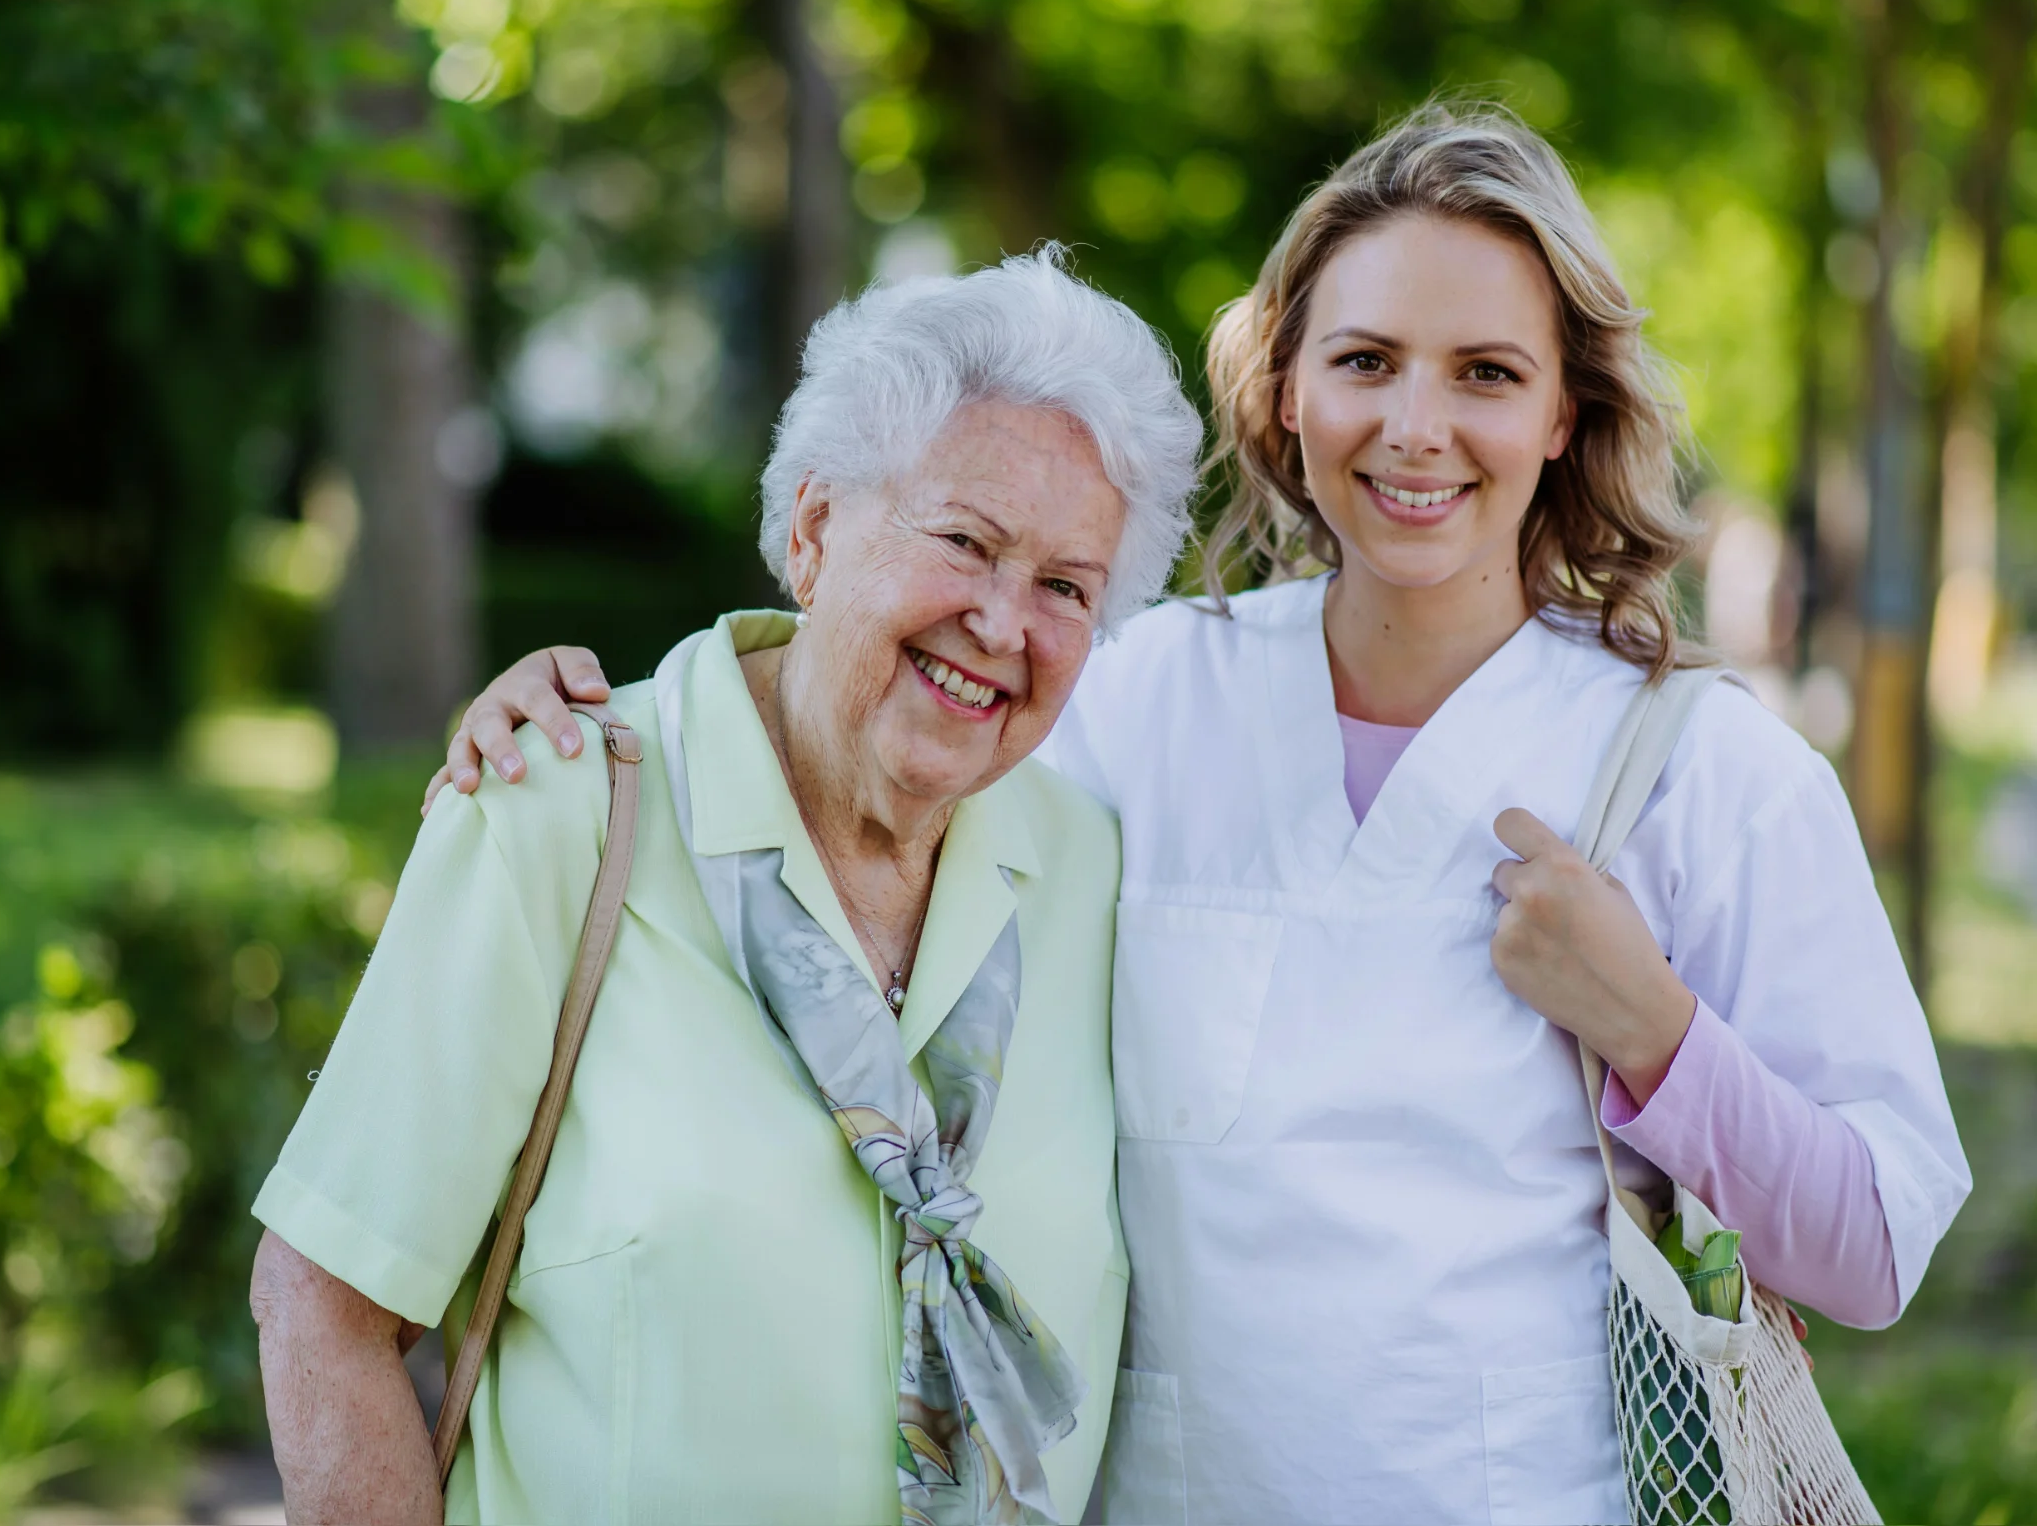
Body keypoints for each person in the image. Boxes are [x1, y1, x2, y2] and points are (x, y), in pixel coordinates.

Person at [433, 103, 1971, 1524]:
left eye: (1487, 374)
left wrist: (1656, 1033)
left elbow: (1876, 1252)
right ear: (1286, 391)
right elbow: (851, 761)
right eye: (1364, 361)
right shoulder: (1127, 702)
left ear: (1566, 413)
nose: (1415, 426)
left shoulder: (1704, 768)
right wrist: (606, 728)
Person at [250, 248, 1204, 1525]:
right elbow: (325, 1306)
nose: (1001, 622)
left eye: (1065, 588)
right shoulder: (561, 813)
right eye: (964, 542)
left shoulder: (1093, 869)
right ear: (814, 532)